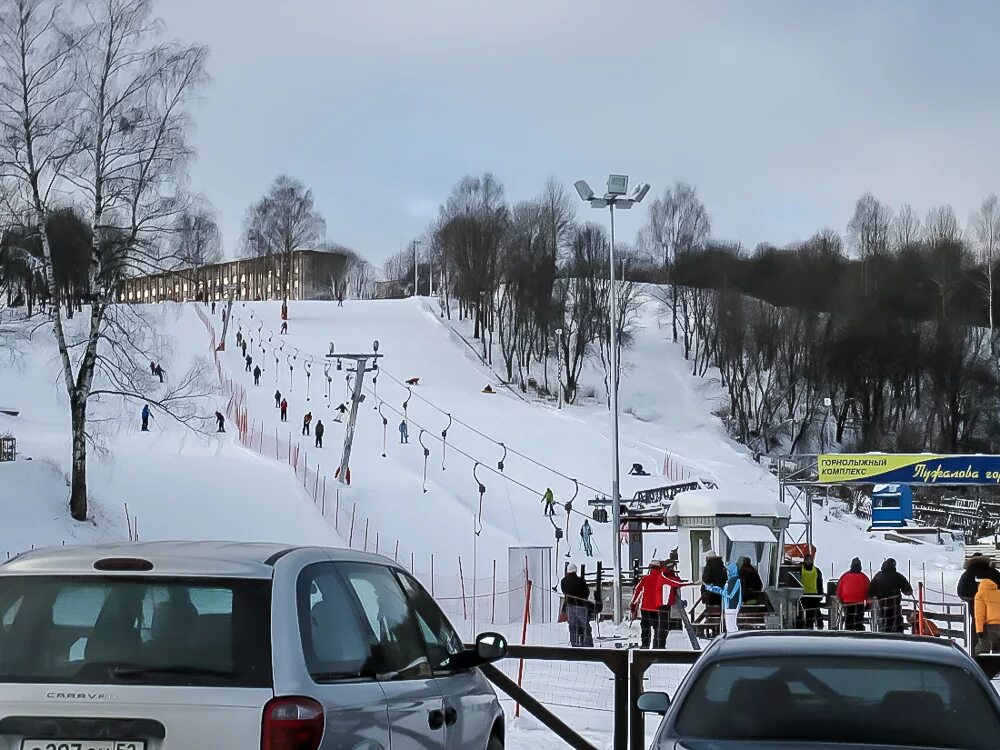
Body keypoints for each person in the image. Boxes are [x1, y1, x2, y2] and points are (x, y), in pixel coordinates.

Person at [958, 553, 1000, 637]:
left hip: (975, 612)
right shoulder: (994, 572)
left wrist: (973, 599)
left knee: (978, 641)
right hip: (996, 616)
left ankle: (976, 649)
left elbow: (961, 592)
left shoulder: (967, 574)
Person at [868, 558, 913, 633]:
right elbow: (908, 590)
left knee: (884, 625)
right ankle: (898, 639)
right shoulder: (898, 576)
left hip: (882, 606)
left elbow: (870, 592)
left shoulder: (878, 576)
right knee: (897, 625)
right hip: (895, 607)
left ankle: (884, 639)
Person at [631, 562, 667, 649]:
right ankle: (657, 645)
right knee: (657, 627)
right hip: (658, 608)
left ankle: (645, 645)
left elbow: (637, 590)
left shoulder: (645, 578)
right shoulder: (663, 579)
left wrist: (633, 604)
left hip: (646, 607)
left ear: (650, 569)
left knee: (645, 627)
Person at [560, 564, 593, 647]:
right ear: (575, 571)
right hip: (581, 606)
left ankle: (575, 645)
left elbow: (564, 592)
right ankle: (587, 645)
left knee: (573, 627)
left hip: (570, 607)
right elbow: (587, 592)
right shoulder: (581, 581)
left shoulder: (563, 581)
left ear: (568, 571)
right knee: (585, 626)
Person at [836, 557, 870, 631]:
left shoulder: (845, 576)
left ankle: (848, 634)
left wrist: (841, 601)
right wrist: (868, 603)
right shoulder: (863, 577)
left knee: (849, 619)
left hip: (847, 601)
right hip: (859, 601)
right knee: (859, 620)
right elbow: (869, 592)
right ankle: (859, 634)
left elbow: (839, 590)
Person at [799, 554, 825, 630]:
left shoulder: (817, 570)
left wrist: (820, 593)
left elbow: (820, 582)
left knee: (816, 612)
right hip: (802, 595)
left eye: (810, 560)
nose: (808, 561)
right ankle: (805, 627)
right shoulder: (800, 569)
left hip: (814, 595)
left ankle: (819, 626)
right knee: (804, 613)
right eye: (807, 560)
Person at [976, 577, 1000, 653]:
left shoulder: (980, 595)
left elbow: (979, 614)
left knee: (981, 651)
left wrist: (979, 630)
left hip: (990, 627)